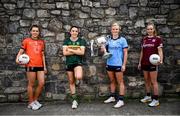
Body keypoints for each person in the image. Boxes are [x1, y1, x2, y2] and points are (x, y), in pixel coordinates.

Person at [16, 25, 47, 110]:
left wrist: (44, 67)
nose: (35, 32)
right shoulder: (26, 41)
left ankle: (35, 100)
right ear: (30, 32)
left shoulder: (41, 42)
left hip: (40, 65)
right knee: (31, 84)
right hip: (30, 65)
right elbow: (21, 52)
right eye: (33, 31)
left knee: (41, 83)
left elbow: (42, 55)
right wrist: (17, 58)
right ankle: (30, 102)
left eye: (37, 31)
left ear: (39, 32)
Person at [103, 22, 128, 108]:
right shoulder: (108, 40)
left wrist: (124, 64)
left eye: (116, 29)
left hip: (118, 64)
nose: (115, 30)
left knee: (120, 82)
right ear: (111, 30)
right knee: (112, 81)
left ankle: (121, 100)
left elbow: (125, 53)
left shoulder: (123, 40)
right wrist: (102, 47)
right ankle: (112, 97)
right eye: (113, 29)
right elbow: (104, 51)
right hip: (109, 63)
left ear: (119, 30)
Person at [138, 22, 163, 107]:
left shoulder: (157, 39)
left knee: (153, 82)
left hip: (153, 63)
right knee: (146, 80)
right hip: (144, 62)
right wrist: (139, 62)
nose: (149, 30)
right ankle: (148, 96)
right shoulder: (144, 39)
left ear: (154, 30)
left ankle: (156, 100)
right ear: (146, 30)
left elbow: (160, 51)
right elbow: (142, 52)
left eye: (151, 29)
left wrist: (161, 60)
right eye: (148, 29)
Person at [63, 26, 86, 109]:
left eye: (76, 31)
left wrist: (71, 50)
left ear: (78, 32)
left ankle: (77, 80)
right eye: (73, 31)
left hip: (77, 62)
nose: (74, 32)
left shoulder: (81, 40)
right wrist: (77, 50)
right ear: (70, 32)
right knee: (71, 82)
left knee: (78, 76)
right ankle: (74, 100)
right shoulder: (66, 40)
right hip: (69, 63)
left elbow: (82, 52)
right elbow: (65, 53)